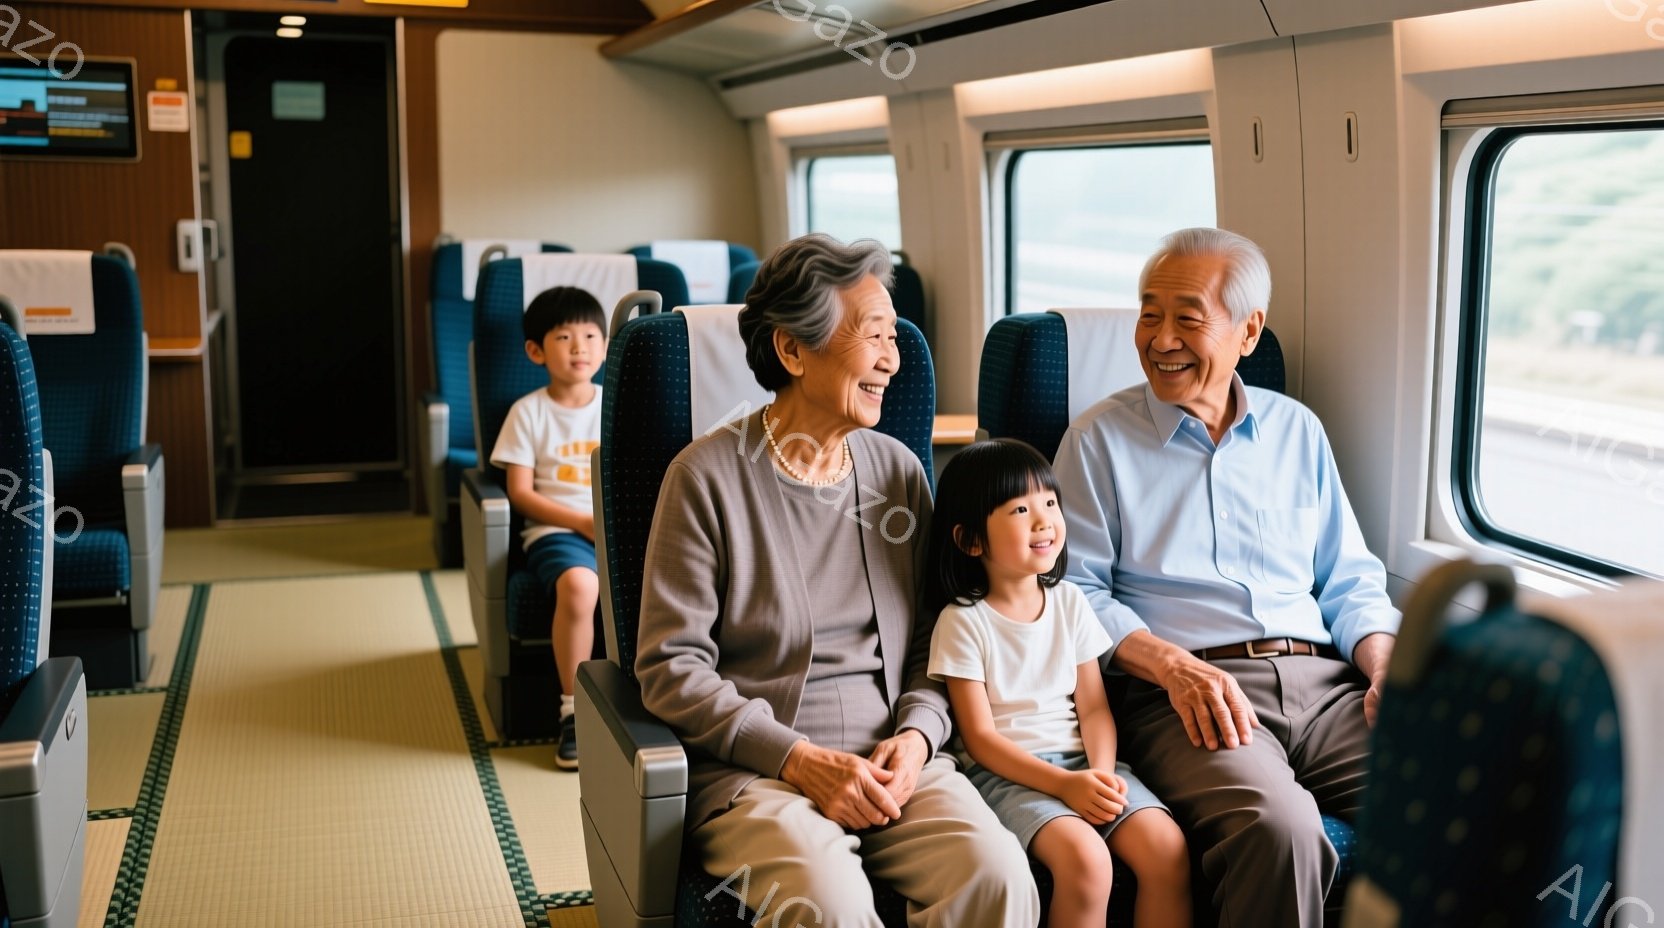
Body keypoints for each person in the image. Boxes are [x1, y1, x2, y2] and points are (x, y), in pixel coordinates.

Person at [634, 234, 1038, 927]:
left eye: (894, 335)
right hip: (756, 775)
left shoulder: (899, 474)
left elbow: (939, 644)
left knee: (998, 878)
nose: (894, 358)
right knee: (830, 907)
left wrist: (916, 739)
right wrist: (795, 759)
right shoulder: (704, 479)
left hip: (895, 763)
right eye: (873, 336)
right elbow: (671, 668)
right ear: (792, 350)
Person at [1052, 227, 1401, 927]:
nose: (1160, 337)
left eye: (1187, 317)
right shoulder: (1096, 439)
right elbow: (1071, 593)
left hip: (1326, 688)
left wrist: (1384, 663)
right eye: (1149, 314)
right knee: (1282, 831)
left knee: (1459, 802)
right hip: (1182, 693)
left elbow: (1349, 580)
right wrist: (1172, 667)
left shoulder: (1297, 430)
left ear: (1249, 331)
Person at [925, 438, 1190, 928]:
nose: (1044, 520)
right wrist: (1065, 786)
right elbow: (980, 739)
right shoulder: (963, 622)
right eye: (1020, 509)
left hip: (1086, 764)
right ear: (971, 541)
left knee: (1166, 848)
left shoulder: (1070, 602)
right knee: (1087, 862)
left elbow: (1092, 708)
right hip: (1009, 776)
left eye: (1050, 502)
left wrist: (1103, 776)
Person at [488, 286, 605, 771]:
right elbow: (519, 492)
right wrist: (580, 521)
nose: (579, 346)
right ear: (536, 351)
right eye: (564, 336)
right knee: (580, 586)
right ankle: (572, 712)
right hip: (556, 531)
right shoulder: (528, 411)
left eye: (590, 335)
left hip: (612, 528)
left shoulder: (617, 403)